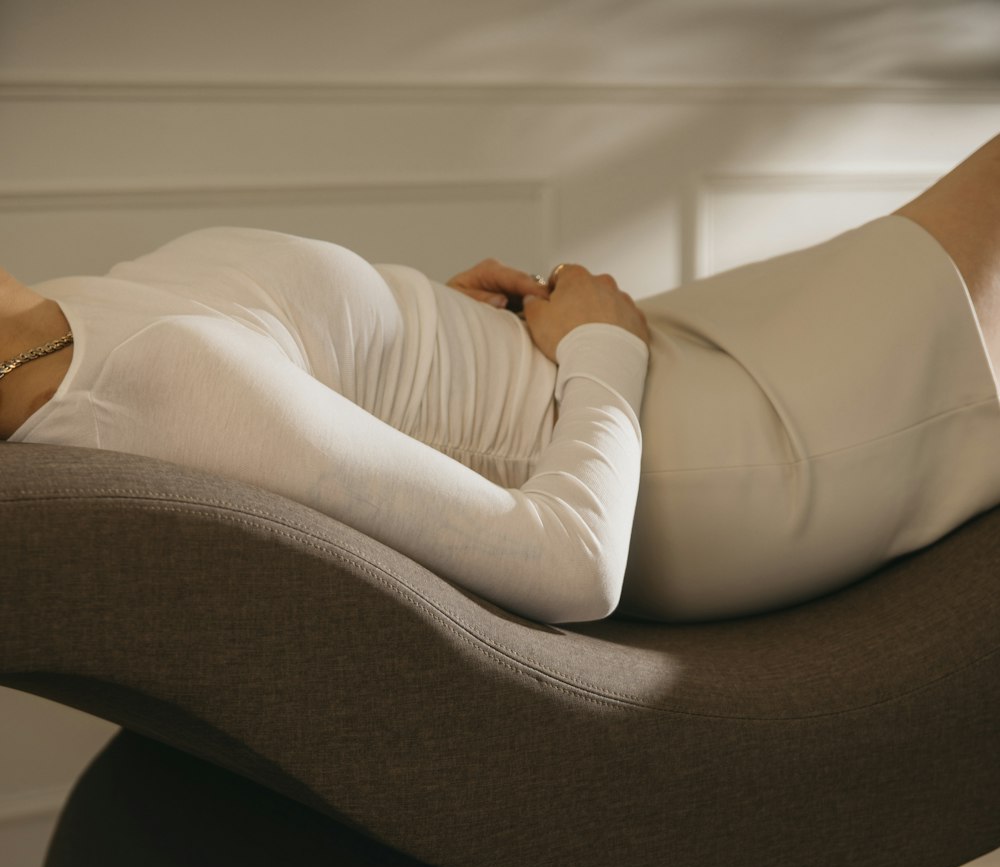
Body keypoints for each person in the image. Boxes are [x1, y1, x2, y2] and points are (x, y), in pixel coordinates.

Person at [2, 134, 999, 626]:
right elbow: (570, 566)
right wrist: (603, 347)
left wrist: (410, 331)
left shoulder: (50, 326)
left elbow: (282, 391)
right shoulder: (142, 383)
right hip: (690, 459)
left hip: (622, 377)